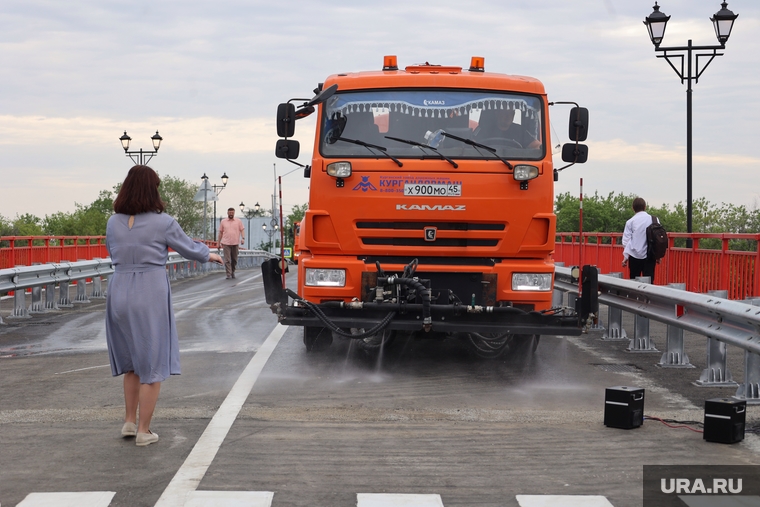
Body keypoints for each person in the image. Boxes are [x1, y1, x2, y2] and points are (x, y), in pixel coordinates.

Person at [105, 165, 222, 447]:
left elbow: (113, 253)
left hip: (119, 289)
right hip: (149, 291)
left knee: (132, 362)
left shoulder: (113, 222)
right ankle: (145, 431)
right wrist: (211, 255)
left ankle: (129, 422)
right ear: (152, 189)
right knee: (152, 363)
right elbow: (188, 248)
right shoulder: (163, 222)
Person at [622, 197, 656, 281]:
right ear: (645, 207)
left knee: (634, 281)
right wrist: (658, 256)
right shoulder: (654, 219)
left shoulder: (630, 222)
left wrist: (626, 257)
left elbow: (626, 241)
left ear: (633, 208)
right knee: (649, 282)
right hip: (650, 255)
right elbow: (657, 239)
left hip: (634, 256)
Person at [475, 107, 541, 149]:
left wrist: (540, 148)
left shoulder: (520, 131)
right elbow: (471, 144)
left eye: (511, 113)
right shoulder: (484, 130)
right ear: (497, 114)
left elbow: (536, 145)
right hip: (487, 162)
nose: (508, 116)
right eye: (505, 113)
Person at [218, 207, 245, 279]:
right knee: (227, 260)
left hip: (235, 243)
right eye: (229, 213)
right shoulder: (223, 221)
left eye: (232, 213)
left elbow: (242, 230)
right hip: (226, 243)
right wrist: (218, 243)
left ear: (234, 213)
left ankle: (233, 271)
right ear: (227, 213)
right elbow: (220, 232)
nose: (231, 214)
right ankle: (228, 274)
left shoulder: (238, 221)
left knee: (234, 259)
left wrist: (243, 238)